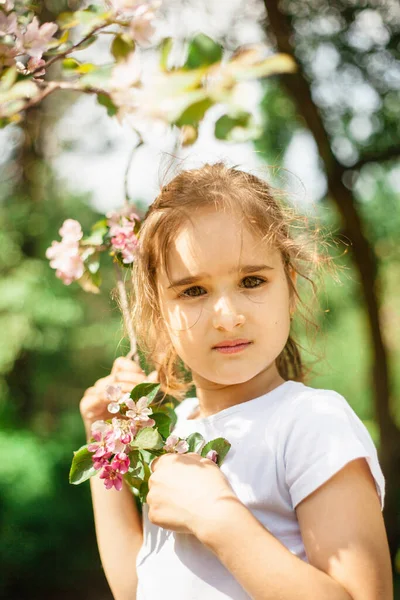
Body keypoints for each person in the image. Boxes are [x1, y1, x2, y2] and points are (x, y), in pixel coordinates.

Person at [79, 162, 393, 600]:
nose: (228, 317)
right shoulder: (174, 431)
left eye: (251, 280)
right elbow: (137, 587)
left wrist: (219, 520)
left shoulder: (311, 423)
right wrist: (103, 443)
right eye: (193, 291)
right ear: (156, 309)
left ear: (290, 286)